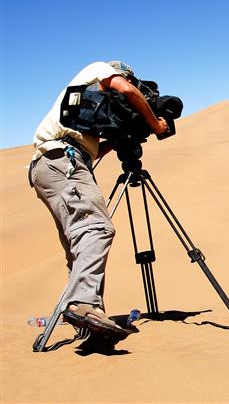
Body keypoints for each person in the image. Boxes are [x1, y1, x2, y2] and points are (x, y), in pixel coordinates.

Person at [29, 61, 168, 337]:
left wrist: (123, 138)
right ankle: (84, 304)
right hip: (63, 162)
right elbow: (127, 89)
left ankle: (88, 321)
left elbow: (93, 150)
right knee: (97, 229)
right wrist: (156, 124)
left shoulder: (83, 107)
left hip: (49, 167)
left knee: (80, 245)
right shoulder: (102, 68)